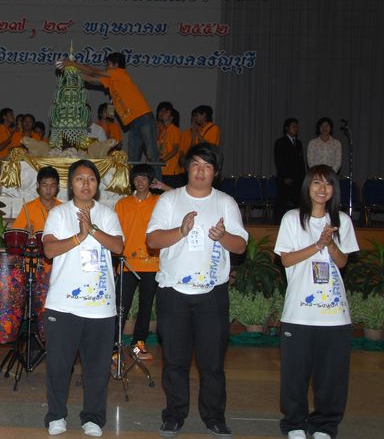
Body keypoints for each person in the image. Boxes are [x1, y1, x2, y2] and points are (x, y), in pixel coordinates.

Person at [146, 143, 247, 438]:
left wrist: (223, 235)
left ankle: (214, 417)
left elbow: (240, 246)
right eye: (196, 164)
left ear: (216, 172)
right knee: (174, 361)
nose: (201, 171)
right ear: (186, 168)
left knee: (212, 362)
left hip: (212, 294)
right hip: (174, 292)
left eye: (207, 166)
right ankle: (174, 415)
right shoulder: (169, 199)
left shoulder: (225, 202)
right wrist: (180, 231)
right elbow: (152, 240)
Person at [274, 165, 359, 439]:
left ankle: (325, 425)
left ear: (334, 189)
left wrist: (331, 243)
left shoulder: (342, 221)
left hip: (335, 315)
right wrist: (318, 245)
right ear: (307, 187)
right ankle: (295, 424)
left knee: (331, 377)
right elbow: (286, 259)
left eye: (328, 184)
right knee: (294, 375)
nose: (322, 189)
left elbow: (342, 262)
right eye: (316, 183)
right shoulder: (292, 219)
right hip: (298, 313)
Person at [42, 160, 124, 437]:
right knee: (58, 366)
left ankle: (93, 418)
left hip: (100, 307)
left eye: (91, 179)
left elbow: (118, 246)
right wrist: (80, 235)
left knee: (97, 369)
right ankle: (56, 416)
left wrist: (94, 229)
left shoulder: (108, 214)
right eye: (80, 179)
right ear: (71, 184)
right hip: (63, 305)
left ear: (97, 185)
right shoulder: (58, 213)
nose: (85, 184)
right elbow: (49, 250)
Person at [59, 52, 158, 162]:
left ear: (116, 64)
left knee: (151, 153)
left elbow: (93, 71)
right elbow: (90, 79)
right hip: (133, 122)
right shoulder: (111, 80)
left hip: (143, 117)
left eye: (108, 64)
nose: (106, 67)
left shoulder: (120, 73)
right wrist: (70, 71)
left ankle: (157, 174)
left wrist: (72, 64)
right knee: (133, 157)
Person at [114, 164, 161, 359]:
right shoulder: (122, 204)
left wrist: (164, 187)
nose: (140, 181)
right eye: (137, 178)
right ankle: (114, 347)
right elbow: (116, 233)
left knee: (145, 306)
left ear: (151, 181)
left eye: (144, 178)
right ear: (132, 181)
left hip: (152, 263)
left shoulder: (159, 202)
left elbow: (182, 198)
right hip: (127, 264)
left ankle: (138, 345)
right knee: (120, 307)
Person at [274, 118, 306, 221]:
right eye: (293, 126)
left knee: (299, 203)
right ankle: (278, 223)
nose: (296, 128)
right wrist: (285, 177)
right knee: (282, 203)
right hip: (285, 179)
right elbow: (279, 161)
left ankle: (299, 223)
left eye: (297, 126)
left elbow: (301, 161)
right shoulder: (280, 142)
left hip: (298, 178)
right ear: (286, 128)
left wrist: (304, 176)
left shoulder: (298, 143)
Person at [13, 166, 61, 233]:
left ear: (57, 187)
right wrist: (25, 232)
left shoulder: (62, 208)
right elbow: (15, 233)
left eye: (52, 186)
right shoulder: (28, 208)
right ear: (38, 185)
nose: (48, 190)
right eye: (45, 185)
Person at [156, 102, 182, 186]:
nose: (162, 113)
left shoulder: (175, 130)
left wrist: (162, 160)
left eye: (166, 112)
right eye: (162, 111)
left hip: (171, 171)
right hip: (162, 170)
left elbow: (175, 150)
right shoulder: (163, 130)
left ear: (171, 117)